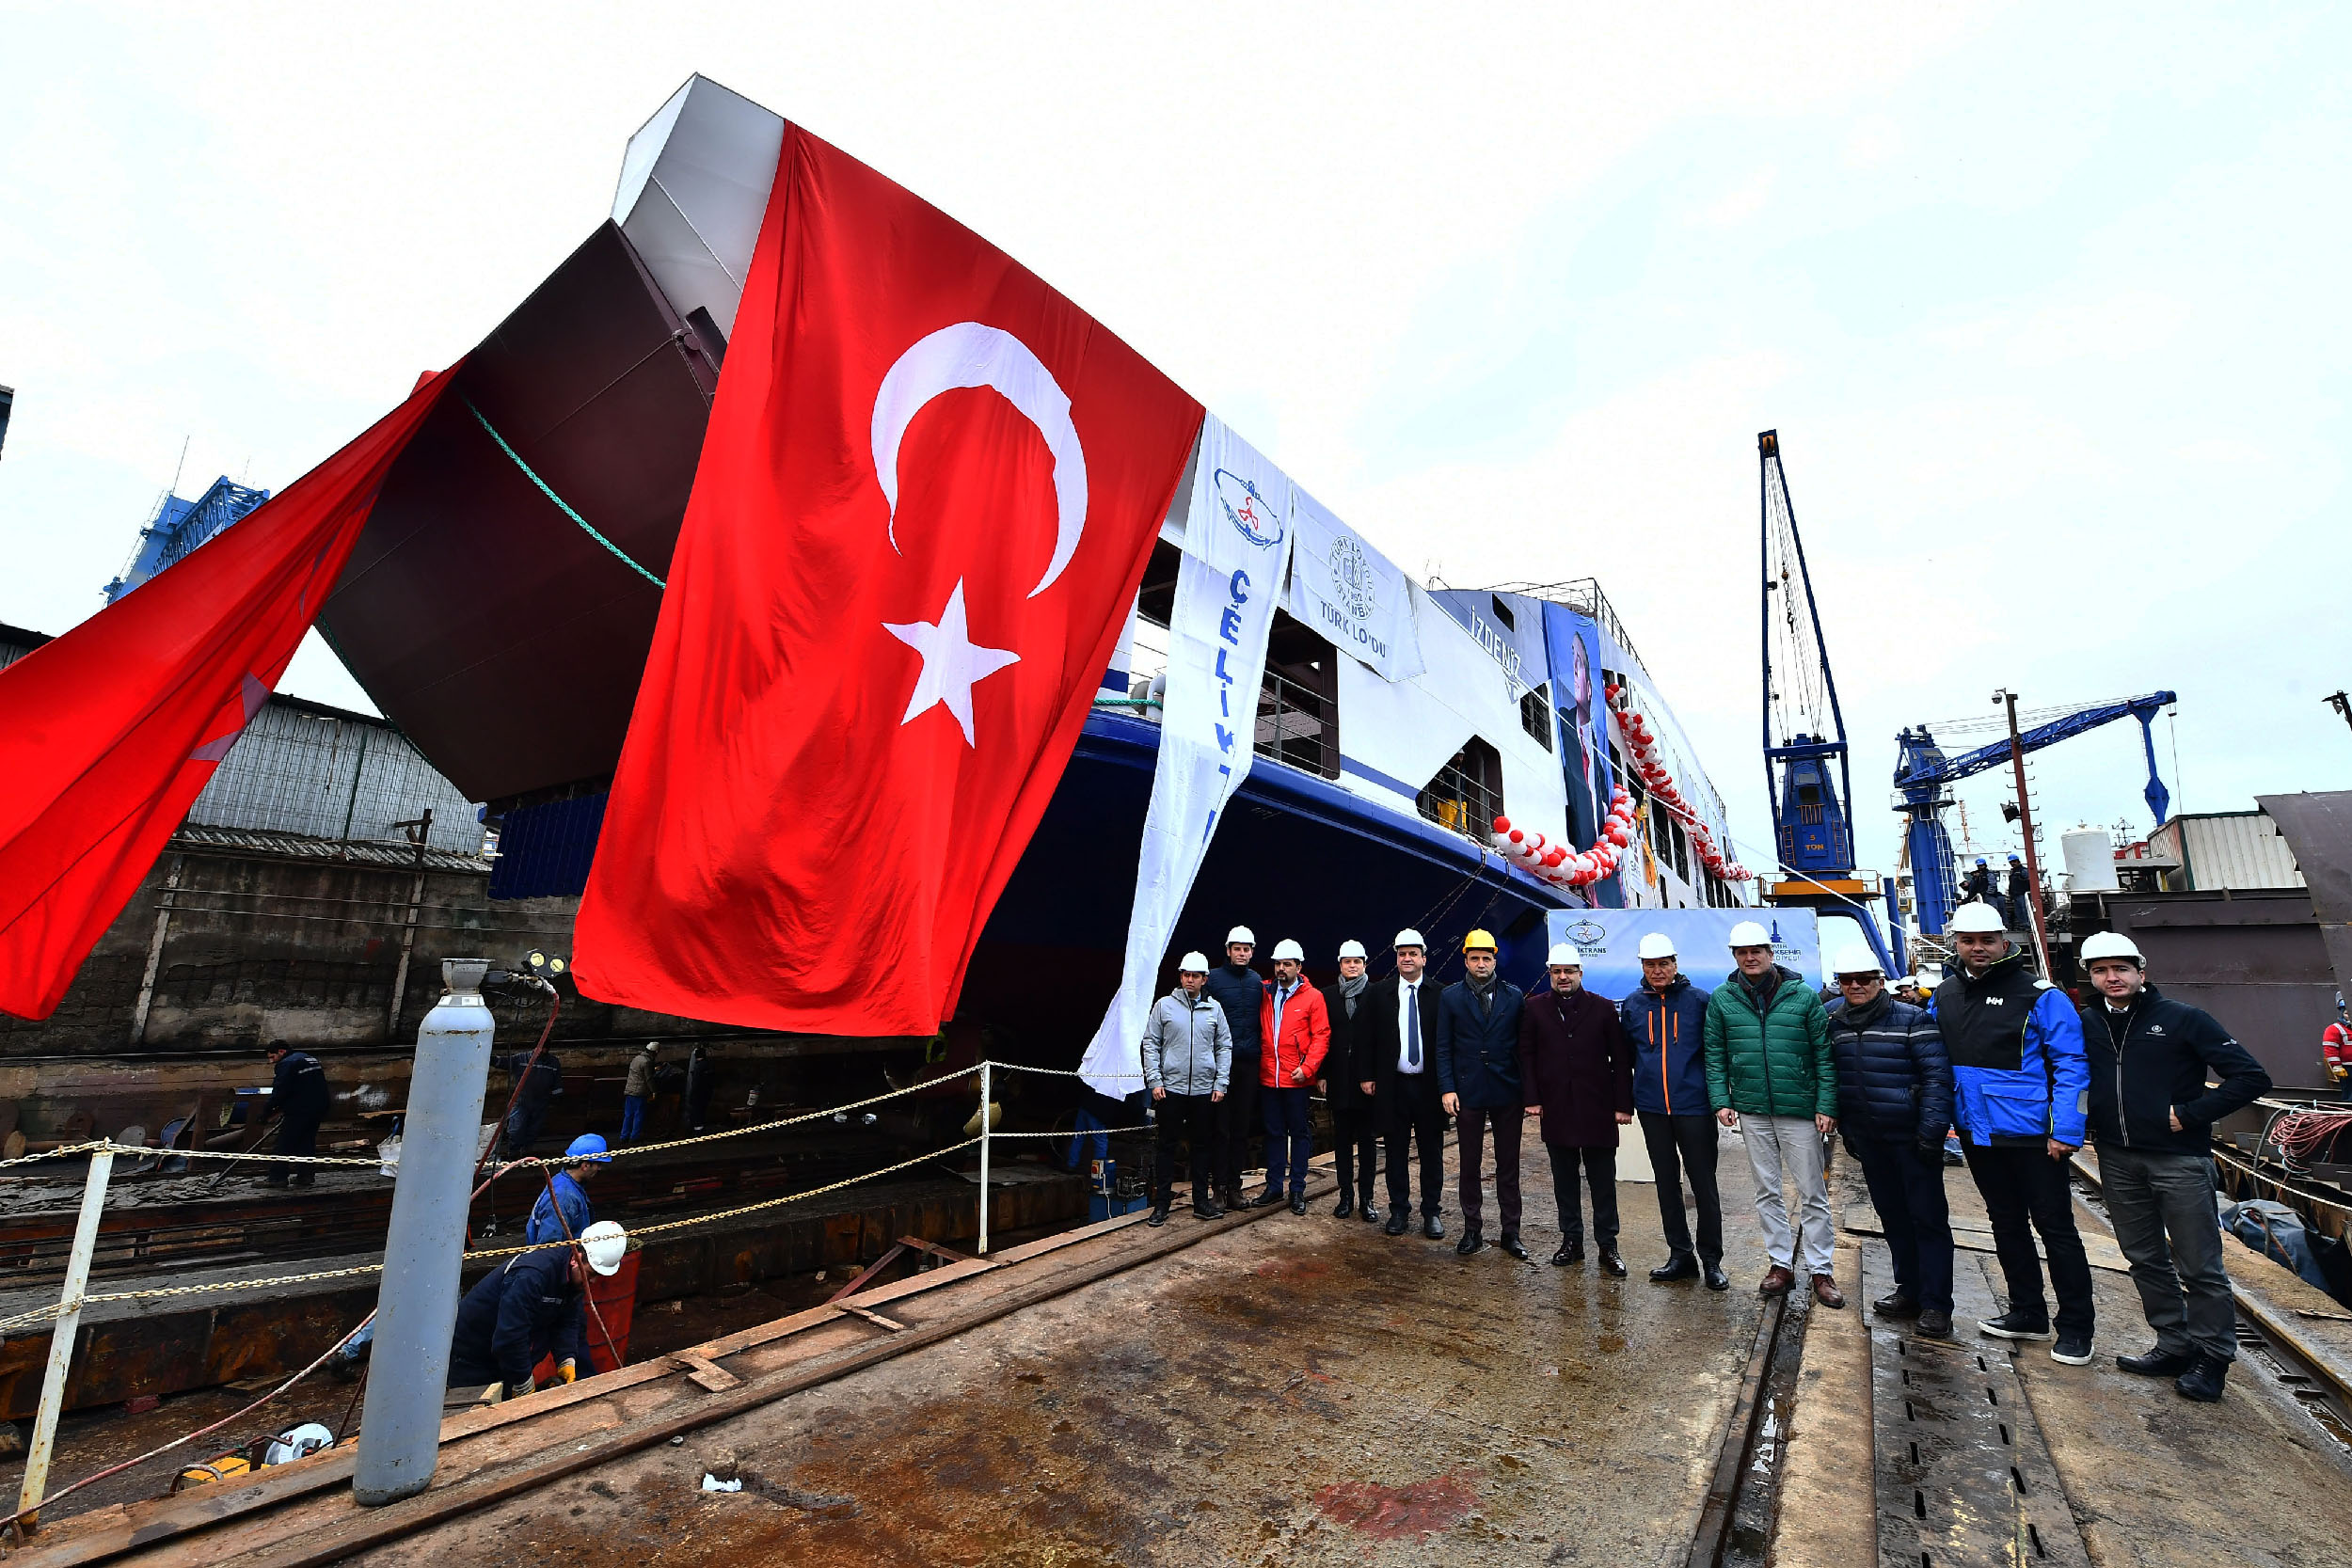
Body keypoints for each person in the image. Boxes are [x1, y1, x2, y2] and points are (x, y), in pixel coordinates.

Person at [2080, 931, 2271, 1402]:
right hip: (2117, 1158)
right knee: (2144, 1258)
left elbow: (2251, 1077)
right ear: (2091, 977)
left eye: (2121, 968)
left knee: (2200, 1265)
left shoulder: (2184, 1019)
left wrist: (2189, 1114)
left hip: (2179, 1160)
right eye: (2101, 970)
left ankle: (2213, 1357)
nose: (2112, 977)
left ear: (2141, 972)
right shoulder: (2088, 1022)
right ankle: (2173, 1343)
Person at [1933, 901, 2095, 1364]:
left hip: (2033, 1137)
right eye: (1968, 941)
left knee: (2056, 1228)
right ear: (1957, 944)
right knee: (2005, 1223)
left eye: (1987, 940)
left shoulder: (2040, 996)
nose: (1978, 948)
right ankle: (2027, 1312)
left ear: (2005, 943)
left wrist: (2066, 1130)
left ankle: (2076, 1328)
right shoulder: (1945, 994)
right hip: (1977, 1133)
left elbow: (2072, 1066)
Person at [1705, 921, 1842, 1307]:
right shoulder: (1723, 999)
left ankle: (1821, 1270)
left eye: (1756, 951)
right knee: (1767, 1191)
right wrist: (1721, 1099)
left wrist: (1826, 1105)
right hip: (1752, 1110)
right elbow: (1715, 1053)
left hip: (1799, 1110)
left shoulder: (1803, 996)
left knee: (1812, 1192)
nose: (1750, 957)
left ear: (1770, 953)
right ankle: (1781, 1264)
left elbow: (1823, 1054)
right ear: (1735, 956)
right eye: (1742, 952)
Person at [1824, 943, 1956, 1337]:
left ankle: (1936, 1305)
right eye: (1848, 980)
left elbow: (1937, 1078)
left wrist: (1931, 1133)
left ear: (1880, 982)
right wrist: (1850, 1130)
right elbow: (1838, 1079)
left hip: (1912, 1138)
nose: (1856, 986)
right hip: (1870, 1139)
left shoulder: (1913, 1019)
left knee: (1928, 1219)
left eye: (1864, 979)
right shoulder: (1836, 1024)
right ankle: (1909, 1290)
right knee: (1894, 1217)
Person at [1518, 943, 1635, 1273]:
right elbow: (1526, 1055)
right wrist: (1532, 1098)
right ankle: (1572, 1240)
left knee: (1602, 1182)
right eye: (1556, 971)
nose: (1563, 977)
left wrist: (1622, 1105)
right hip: (1556, 1107)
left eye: (1569, 971)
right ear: (1550, 974)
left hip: (1598, 1108)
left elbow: (1620, 1059)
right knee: (1565, 1180)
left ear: (1580, 973)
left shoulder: (1602, 1009)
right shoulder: (1535, 1009)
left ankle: (1608, 1245)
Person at [1621, 934, 1727, 1290]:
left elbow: (1716, 1053)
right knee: (1666, 1183)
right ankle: (1680, 1254)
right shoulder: (1634, 1004)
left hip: (1694, 1106)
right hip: (1653, 1108)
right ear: (1642, 967)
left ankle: (1711, 1259)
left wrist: (1720, 1098)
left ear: (1675, 964)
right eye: (1650, 965)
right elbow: (1628, 1054)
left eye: (1663, 964)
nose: (1657, 970)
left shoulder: (1699, 1001)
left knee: (1703, 1184)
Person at [448, 1222, 628, 1399]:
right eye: (591, 1274)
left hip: (500, 1357)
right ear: (576, 1258)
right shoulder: (531, 1275)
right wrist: (523, 1383)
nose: (593, 1282)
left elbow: (568, 1320)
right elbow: (510, 1336)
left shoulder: (572, 1277)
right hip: (470, 1356)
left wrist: (566, 1359)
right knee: (474, 1409)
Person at [1436, 928, 1529, 1259]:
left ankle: (1511, 1232)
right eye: (1474, 958)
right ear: (1466, 960)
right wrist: (1447, 1088)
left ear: (1494, 960)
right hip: (1468, 1089)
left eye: (1486, 958)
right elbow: (1443, 1047)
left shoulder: (1513, 997)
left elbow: (1523, 1047)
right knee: (1469, 1163)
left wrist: (1528, 1091)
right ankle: (1471, 1229)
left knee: (1509, 1164)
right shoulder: (1450, 997)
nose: (1480, 964)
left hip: (1507, 1090)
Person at [1367, 928, 1447, 1240]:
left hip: (1429, 1087)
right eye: (1402, 954)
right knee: (1395, 1151)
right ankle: (1399, 1210)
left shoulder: (1440, 994)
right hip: (1394, 1086)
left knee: (1432, 1153)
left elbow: (1448, 1042)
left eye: (1413, 954)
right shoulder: (1380, 993)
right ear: (1397, 959)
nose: (1407, 959)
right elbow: (1367, 1038)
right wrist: (1367, 1076)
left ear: (1424, 958)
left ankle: (1432, 1212)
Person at [1141, 951, 1231, 1227]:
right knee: (1166, 1147)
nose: (1189, 980)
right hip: (1171, 1090)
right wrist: (1155, 1080)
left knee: (1202, 1147)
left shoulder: (1214, 1010)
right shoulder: (1164, 1006)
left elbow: (1224, 1046)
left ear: (1205, 979)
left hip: (1204, 1091)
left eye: (1195, 976)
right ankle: (1161, 1205)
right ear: (1180, 977)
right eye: (1185, 975)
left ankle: (1201, 1202)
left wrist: (1221, 1082)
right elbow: (1150, 1042)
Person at [1256, 940, 1329, 1215]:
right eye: (1278, 964)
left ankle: (1297, 1188)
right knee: (1273, 1133)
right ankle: (1274, 1186)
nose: (1281, 969)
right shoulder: (1264, 992)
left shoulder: (1313, 997)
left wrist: (1308, 1068)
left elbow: (1321, 1035)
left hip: (1297, 1079)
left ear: (1299, 967)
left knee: (1299, 1133)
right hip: (1269, 1077)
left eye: (1287, 964)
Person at [1319, 940, 1382, 1223]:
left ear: (1365, 964)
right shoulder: (1327, 996)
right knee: (1342, 1142)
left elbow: (1382, 1038)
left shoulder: (1376, 994)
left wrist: (1376, 1075)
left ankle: (1367, 1198)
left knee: (1367, 1142)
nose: (1352, 966)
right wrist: (1321, 1073)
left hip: (1366, 1082)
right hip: (1338, 1079)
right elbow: (1322, 1036)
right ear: (1340, 965)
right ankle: (1345, 1196)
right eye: (1348, 962)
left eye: (1357, 961)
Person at [1204, 927, 1265, 1210]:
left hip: (1248, 1064)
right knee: (1220, 1129)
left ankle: (1234, 1189)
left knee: (1241, 1129)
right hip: (1220, 1065)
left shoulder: (1256, 982)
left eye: (1246, 949)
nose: (1242, 953)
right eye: (1237, 948)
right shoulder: (1213, 979)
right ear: (1228, 950)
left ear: (1252, 952)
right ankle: (1218, 1189)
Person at [262, 1040, 331, 1189]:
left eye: (272, 1057)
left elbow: (280, 1090)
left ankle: (277, 1178)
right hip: (318, 1107)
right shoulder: (308, 1058)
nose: (271, 1061)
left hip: (300, 1109)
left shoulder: (287, 1063)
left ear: (281, 1051)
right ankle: (305, 1176)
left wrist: (266, 1111)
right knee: (306, 1142)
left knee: (283, 1143)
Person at [525, 1134, 609, 1244]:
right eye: (598, 1164)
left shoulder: (565, 1182)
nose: (600, 1168)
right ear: (585, 1166)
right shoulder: (564, 1196)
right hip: (561, 1254)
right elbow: (549, 1246)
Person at [492, 1045, 564, 1160]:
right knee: (516, 1129)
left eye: (545, 1049)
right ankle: (513, 1153)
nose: (541, 1051)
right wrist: (490, 1059)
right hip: (522, 1102)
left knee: (534, 1129)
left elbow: (557, 1082)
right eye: (540, 1048)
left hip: (541, 1103)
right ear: (535, 1047)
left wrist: (557, 1098)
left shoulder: (553, 1063)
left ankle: (526, 1153)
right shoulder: (522, 1058)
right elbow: (504, 1062)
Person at [620, 1041, 659, 1145]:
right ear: (655, 1052)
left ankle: (624, 1136)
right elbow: (649, 1078)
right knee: (639, 1115)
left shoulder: (636, 1059)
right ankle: (635, 1137)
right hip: (640, 1092)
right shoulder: (647, 1062)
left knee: (628, 1115)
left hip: (629, 1090)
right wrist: (654, 1091)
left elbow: (638, 1072)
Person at [684, 1044, 717, 1132]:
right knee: (702, 1111)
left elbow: (696, 1082)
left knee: (696, 1112)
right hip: (707, 1093)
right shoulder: (709, 1065)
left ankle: (697, 1130)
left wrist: (691, 1095)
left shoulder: (698, 1067)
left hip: (698, 1094)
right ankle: (701, 1128)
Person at [2322, 994, 2350, 1085]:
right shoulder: (2334, 1029)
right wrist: (2336, 1065)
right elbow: (2330, 1048)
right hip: (2347, 1068)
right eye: (2347, 1013)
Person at [2005, 856, 2033, 933]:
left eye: (2014, 862)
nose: (2012, 863)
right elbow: (2011, 884)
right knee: (2019, 912)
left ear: (2018, 861)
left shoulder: (2023, 871)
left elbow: (2030, 882)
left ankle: (2028, 926)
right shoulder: (2013, 872)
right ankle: (2024, 926)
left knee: (2025, 911)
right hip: (2016, 895)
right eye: (2011, 862)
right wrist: (2011, 894)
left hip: (2023, 894)